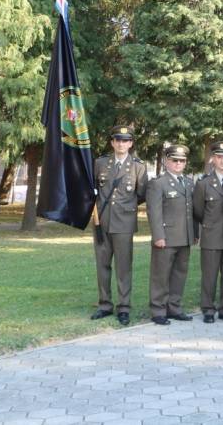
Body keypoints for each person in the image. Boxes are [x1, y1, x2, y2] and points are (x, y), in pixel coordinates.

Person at [90, 125, 148, 326]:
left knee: (123, 267)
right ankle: (105, 304)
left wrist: (125, 208)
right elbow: (93, 189)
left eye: (125, 140)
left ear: (130, 144)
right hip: (102, 222)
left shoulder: (138, 167)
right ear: (112, 142)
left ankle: (124, 307)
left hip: (124, 223)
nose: (121, 144)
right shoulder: (100, 163)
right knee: (102, 265)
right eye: (118, 140)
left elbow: (141, 194)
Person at [146, 144, 195, 325]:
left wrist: (194, 233)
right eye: (174, 160)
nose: (178, 163)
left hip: (185, 237)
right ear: (167, 161)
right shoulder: (158, 184)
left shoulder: (189, 183)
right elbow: (154, 212)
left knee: (179, 274)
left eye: (182, 161)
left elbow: (192, 212)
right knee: (160, 275)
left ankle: (174, 307)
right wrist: (158, 236)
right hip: (165, 237)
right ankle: (158, 310)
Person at [193, 140, 223, 323]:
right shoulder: (204, 183)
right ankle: (208, 309)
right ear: (213, 159)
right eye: (219, 157)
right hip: (212, 235)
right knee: (209, 276)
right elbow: (198, 211)